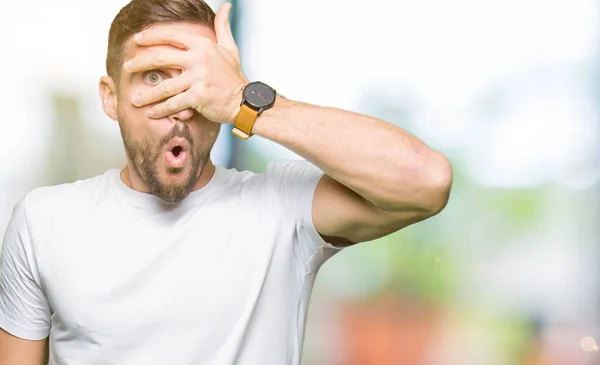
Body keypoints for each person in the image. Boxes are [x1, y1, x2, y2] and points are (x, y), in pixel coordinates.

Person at [0, 0, 453, 364]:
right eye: (153, 78)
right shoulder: (43, 223)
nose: (178, 106)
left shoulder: (279, 208)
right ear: (111, 97)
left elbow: (426, 179)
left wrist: (246, 100)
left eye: (197, 82)